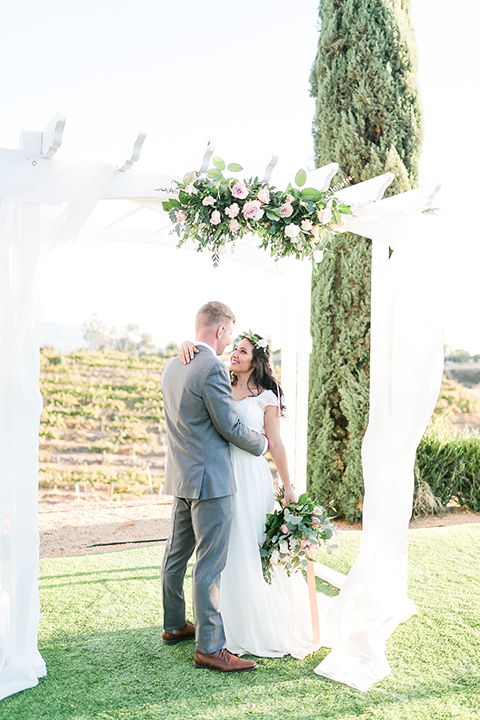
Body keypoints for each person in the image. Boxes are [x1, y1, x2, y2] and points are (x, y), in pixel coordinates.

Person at [179, 331, 323, 659]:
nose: (235, 355)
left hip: (252, 478)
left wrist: (289, 488)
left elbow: (275, 443)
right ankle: (222, 625)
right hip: (220, 474)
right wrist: (185, 345)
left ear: (255, 360)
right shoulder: (220, 383)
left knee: (249, 546)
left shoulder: (267, 395)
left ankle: (254, 624)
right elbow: (199, 361)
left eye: (243, 351)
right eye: (234, 349)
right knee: (224, 550)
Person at [160, 301, 267, 673]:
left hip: (181, 476)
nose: (228, 346)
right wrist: (263, 444)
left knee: (176, 555)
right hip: (211, 482)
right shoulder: (211, 369)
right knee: (209, 565)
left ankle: (173, 624)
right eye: (229, 336)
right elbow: (229, 426)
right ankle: (210, 647)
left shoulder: (173, 365)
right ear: (220, 330)